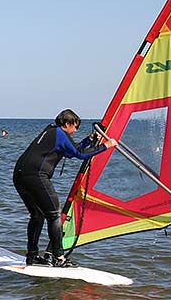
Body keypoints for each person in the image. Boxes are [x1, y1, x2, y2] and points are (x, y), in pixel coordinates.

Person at [13, 109, 116, 267]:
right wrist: (106, 146)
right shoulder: (60, 134)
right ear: (67, 124)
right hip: (36, 176)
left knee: (37, 215)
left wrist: (90, 139)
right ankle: (59, 258)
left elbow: (70, 151)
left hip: (20, 175)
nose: (75, 131)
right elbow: (80, 154)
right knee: (54, 214)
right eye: (75, 127)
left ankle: (32, 256)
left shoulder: (51, 131)